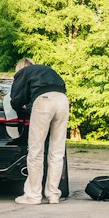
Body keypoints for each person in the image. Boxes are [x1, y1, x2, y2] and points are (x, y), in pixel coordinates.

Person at [10, 58, 70, 204]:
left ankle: (33, 195)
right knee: (57, 150)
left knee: (36, 151)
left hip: (44, 101)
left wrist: (23, 110)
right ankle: (53, 194)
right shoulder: (46, 70)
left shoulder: (23, 73)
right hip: (62, 100)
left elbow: (16, 99)